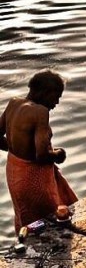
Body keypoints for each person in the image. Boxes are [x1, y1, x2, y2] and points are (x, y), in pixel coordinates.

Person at [0, 70, 78, 233]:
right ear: (45, 92)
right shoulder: (40, 112)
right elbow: (42, 155)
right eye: (56, 96)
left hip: (15, 172)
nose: (56, 102)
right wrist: (58, 154)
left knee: (29, 221)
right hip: (33, 177)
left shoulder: (13, 103)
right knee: (49, 222)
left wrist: (18, 151)